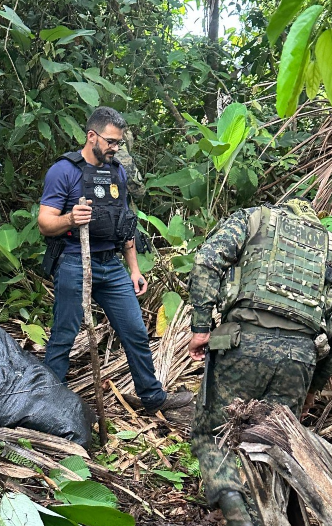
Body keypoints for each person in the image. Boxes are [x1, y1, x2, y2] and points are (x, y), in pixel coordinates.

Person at [187, 198, 332, 526]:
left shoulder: (254, 219)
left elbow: (207, 260)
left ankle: (237, 513)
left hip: (243, 344)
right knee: (271, 447)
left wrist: (199, 328)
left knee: (211, 436)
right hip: (299, 360)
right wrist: (314, 386)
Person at [38, 106, 192, 414]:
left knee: (134, 329)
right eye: (110, 141)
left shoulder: (117, 172)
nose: (115, 147)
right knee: (64, 334)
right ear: (91, 136)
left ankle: (152, 396)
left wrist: (134, 268)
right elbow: (45, 223)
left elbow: (125, 224)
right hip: (73, 260)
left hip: (111, 264)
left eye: (119, 142)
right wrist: (70, 218)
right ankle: (47, 403)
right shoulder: (64, 170)